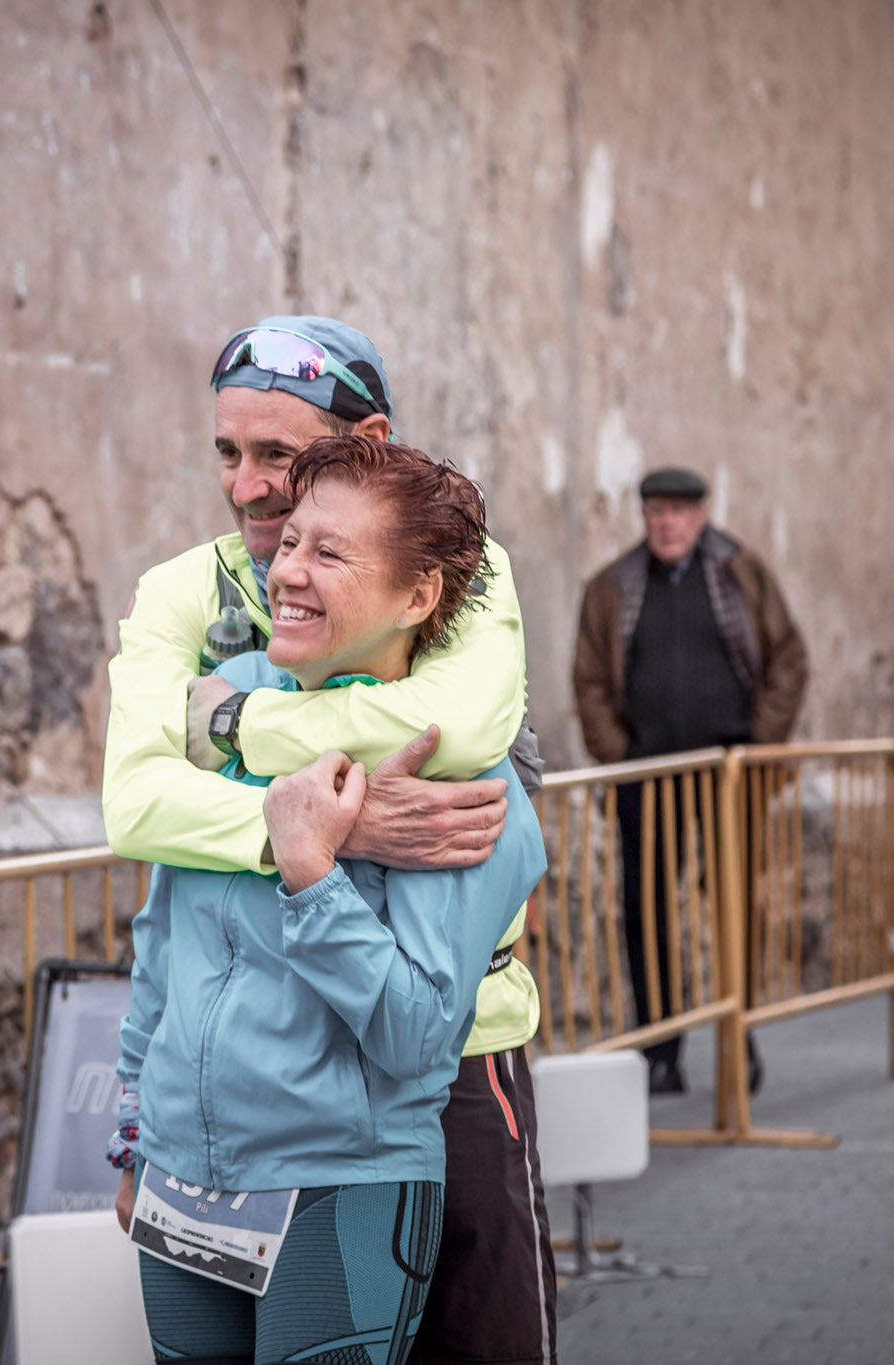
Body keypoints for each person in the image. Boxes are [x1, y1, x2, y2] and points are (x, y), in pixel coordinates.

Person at [102, 317, 559, 1363]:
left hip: (445, 1071)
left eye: (280, 456)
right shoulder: (187, 593)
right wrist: (293, 823)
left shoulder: (464, 570)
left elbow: (466, 731)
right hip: (218, 1124)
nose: (249, 490)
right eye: (228, 452)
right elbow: (136, 818)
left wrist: (227, 733)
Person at [572, 466, 808, 1095]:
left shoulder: (741, 573)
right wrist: (618, 752)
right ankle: (661, 1050)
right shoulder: (613, 588)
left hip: (731, 774)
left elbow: (788, 658)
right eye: (656, 511)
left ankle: (740, 1035)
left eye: (679, 511)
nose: (667, 523)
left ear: (702, 514)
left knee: (734, 905)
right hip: (648, 776)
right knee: (646, 912)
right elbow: (590, 682)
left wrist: (760, 745)